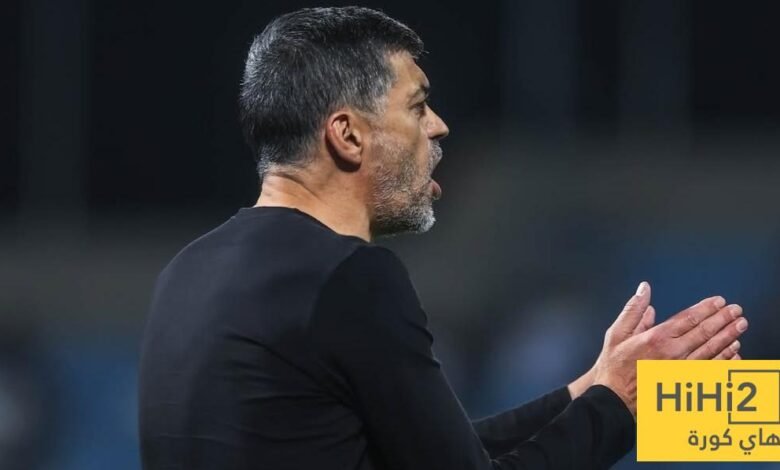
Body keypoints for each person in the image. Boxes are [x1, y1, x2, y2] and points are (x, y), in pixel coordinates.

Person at [138, 7, 748, 469]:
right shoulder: (347, 277)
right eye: (417, 106)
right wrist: (619, 405)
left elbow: (437, 452)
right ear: (347, 135)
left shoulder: (187, 272)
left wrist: (586, 390)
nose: (439, 126)